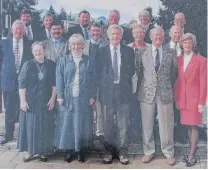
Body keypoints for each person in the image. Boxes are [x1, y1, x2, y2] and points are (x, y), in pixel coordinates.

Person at [136, 27, 177, 166]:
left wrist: (165, 85)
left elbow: (174, 73)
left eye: (161, 34)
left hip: (165, 93)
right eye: (155, 35)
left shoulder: (170, 52)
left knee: (166, 124)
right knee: (147, 124)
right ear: (151, 36)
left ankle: (169, 152)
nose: (158, 37)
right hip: (147, 93)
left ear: (164, 37)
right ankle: (148, 151)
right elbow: (139, 72)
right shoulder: (142, 51)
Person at [53, 34, 96, 163]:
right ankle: (68, 150)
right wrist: (60, 95)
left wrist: (93, 96)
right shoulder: (63, 60)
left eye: (79, 44)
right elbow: (59, 77)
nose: (76, 46)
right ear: (70, 46)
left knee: (81, 124)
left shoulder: (89, 60)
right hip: (67, 97)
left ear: (83, 45)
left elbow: (94, 80)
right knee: (68, 124)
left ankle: (80, 150)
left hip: (84, 97)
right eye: (74, 44)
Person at [98, 24, 135, 165]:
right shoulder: (101, 51)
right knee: (107, 124)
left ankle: (122, 152)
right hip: (107, 92)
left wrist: (122, 82)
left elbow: (131, 70)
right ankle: (108, 152)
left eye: (117, 34)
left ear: (121, 36)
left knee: (123, 123)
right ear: (108, 36)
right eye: (112, 34)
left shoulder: (128, 51)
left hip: (123, 90)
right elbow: (98, 72)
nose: (115, 36)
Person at [17, 42, 56, 162]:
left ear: (44, 51)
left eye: (40, 50)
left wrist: (53, 98)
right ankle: (30, 152)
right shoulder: (28, 64)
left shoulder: (51, 64)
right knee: (30, 127)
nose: (38, 53)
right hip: (31, 102)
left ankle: (43, 152)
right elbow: (22, 84)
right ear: (33, 52)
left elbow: (55, 84)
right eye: (35, 51)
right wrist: (22, 101)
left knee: (45, 127)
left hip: (46, 100)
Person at [174, 33, 207, 167]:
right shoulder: (178, 59)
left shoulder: (201, 60)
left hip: (194, 100)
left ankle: (192, 155)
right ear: (181, 44)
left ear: (194, 44)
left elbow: (204, 83)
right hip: (182, 98)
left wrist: (201, 102)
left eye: (189, 42)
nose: (187, 44)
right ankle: (190, 151)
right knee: (188, 125)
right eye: (185, 42)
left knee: (194, 126)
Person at [0, 20, 32, 145]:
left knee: (24, 108)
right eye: (16, 29)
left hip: (25, 83)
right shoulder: (4, 43)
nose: (19, 31)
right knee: (9, 109)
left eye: (21, 29)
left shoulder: (29, 44)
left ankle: (24, 136)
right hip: (8, 82)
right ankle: (8, 135)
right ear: (12, 30)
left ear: (24, 31)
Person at [128, 24, 149, 143]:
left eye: (141, 33)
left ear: (144, 34)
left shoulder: (150, 47)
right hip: (133, 83)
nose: (139, 35)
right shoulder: (128, 47)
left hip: (147, 84)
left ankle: (146, 135)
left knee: (146, 111)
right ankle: (135, 135)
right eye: (136, 33)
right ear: (133, 34)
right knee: (134, 109)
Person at [83, 22, 104, 141]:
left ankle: (99, 132)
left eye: (98, 30)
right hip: (87, 81)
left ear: (101, 32)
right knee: (87, 107)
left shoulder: (106, 44)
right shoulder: (83, 44)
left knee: (100, 108)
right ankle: (88, 131)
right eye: (93, 31)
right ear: (89, 32)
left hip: (101, 81)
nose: (95, 33)